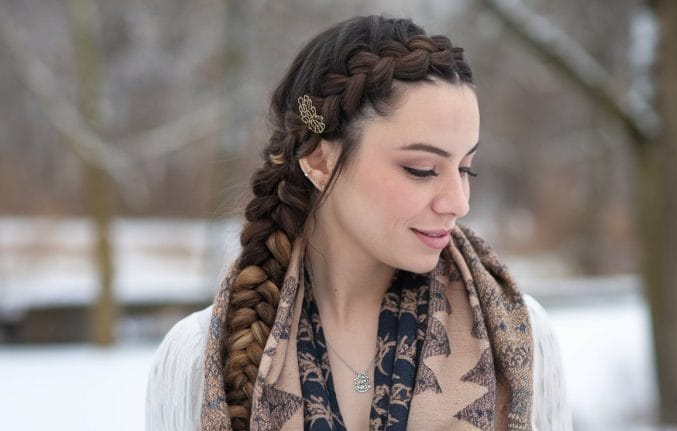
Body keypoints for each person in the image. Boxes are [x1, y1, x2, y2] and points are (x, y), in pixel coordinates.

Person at [146, 15, 572, 431]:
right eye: (422, 169)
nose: (458, 203)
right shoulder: (202, 360)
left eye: (466, 168)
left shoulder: (519, 338)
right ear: (319, 159)